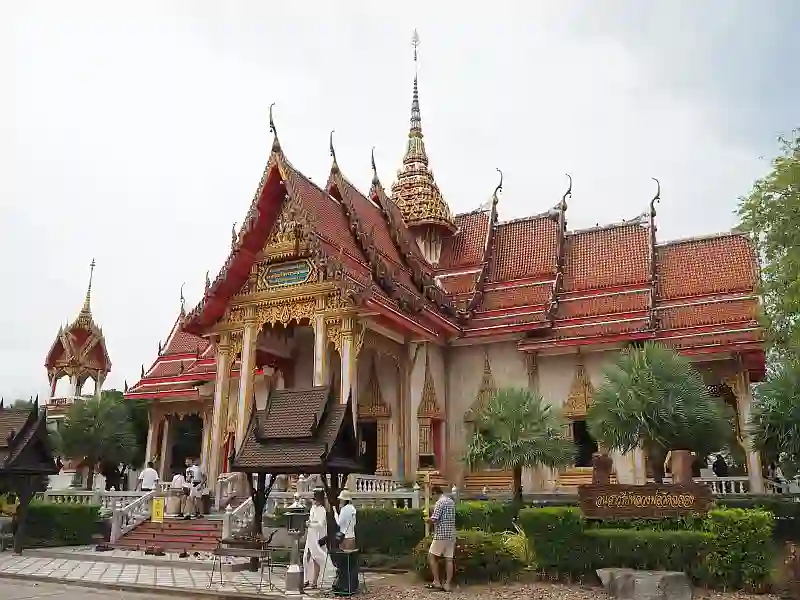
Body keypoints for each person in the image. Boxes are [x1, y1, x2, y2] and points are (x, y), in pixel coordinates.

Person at [427, 485, 456, 592]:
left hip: (441, 534)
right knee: (449, 559)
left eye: (432, 496)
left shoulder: (439, 502)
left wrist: (427, 519)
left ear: (435, 493)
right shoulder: (451, 501)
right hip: (451, 534)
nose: (432, 498)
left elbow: (435, 518)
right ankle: (447, 584)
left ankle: (436, 581)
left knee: (431, 556)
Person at [303, 489, 329, 589]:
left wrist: (311, 524)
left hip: (318, 536)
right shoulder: (313, 508)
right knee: (306, 557)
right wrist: (308, 523)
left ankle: (314, 581)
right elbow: (311, 519)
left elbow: (321, 524)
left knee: (317, 558)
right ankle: (306, 579)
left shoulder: (322, 510)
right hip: (311, 536)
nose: (315, 501)